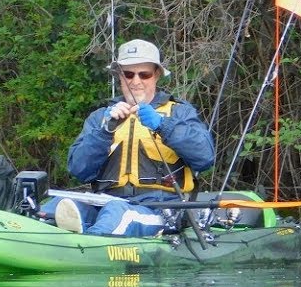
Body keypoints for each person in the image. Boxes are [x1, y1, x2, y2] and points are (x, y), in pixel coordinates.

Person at [40, 39, 216, 236]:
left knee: (117, 215)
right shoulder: (101, 117)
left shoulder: (179, 113)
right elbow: (79, 169)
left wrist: (162, 124)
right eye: (128, 74)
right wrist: (105, 131)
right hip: (104, 202)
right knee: (52, 208)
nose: (136, 81)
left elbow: (205, 157)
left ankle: (88, 249)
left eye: (144, 74)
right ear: (119, 76)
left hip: (161, 209)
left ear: (156, 75)